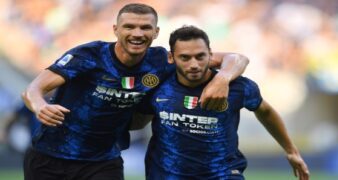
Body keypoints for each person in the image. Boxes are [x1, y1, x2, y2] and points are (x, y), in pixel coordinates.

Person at [21, 3, 249, 180]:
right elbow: (33, 89)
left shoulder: (162, 60)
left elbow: (236, 58)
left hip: (102, 161)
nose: (137, 33)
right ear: (116, 30)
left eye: (145, 27)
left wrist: (223, 78)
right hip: (49, 156)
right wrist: (40, 105)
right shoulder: (89, 56)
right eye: (129, 26)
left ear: (156, 32)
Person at [133, 25, 310, 180]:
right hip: (167, 174)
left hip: (222, 173)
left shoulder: (238, 87)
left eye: (200, 56)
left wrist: (291, 151)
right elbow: (137, 121)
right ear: (171, 58)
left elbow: (265, 112)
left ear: (210, 55)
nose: (194, 64)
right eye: (185, 58)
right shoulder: (158, 84)